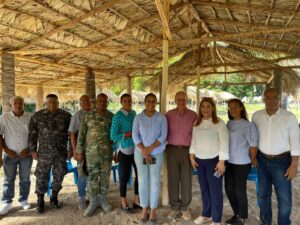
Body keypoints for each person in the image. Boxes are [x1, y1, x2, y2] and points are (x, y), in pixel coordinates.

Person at [252, 88, 300, 225]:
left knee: (284, 199)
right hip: (261, 160)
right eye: (268, 97)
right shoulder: (256, 116)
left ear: (279, 99)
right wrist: (254, 157)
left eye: (274, 97)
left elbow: (295, 142)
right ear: (264, 99)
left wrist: (294, 164)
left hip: (282, 162)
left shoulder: (289, 117)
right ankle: (265, 222)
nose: (271, 100)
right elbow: (253, 139)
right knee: (262, 196)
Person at [28, 94, 71, 213]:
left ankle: (54, 196)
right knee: (41, 177)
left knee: (59, 175)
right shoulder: (38, 116)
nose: (52, 104)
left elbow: (71, 134)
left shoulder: (66, 116)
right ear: (46, 103)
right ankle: (40, 200)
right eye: (49, 102)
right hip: (43, 154)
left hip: (60, 153)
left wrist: (70, 149)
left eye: (54, 102)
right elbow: (32, 134)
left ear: (58, 103)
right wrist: (32, 151)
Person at [190, 97, 229, 225]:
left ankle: (216, 219)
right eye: (203, 106)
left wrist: (222, 161)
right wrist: (191, 156)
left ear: (213, 108)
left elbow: (224, 143)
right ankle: (206, 214)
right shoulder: (197, 123)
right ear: (200, 108)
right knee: (204, 188)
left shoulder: (219, 123)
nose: (205, 109)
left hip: (215, 161)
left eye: (208, 106)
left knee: (215, 190)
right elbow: (194, 141)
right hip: (200, 161)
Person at [76, 93, 114, 217]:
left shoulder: (111, 116)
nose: (102, 103)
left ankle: (103, 200)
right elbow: (81, 135)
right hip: (91, 154)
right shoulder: (88, 116)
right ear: (96, 102)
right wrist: (79, 151)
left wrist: (117, 151)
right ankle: (93, 201)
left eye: (105, 101)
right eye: (100, 101)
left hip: (107, 153)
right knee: (92, 177)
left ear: (107, 102)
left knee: (104, 176)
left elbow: (115, 137)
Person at [132, 93, 167, 225]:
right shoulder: (138, 118)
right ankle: (144, 209)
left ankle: (153, 210)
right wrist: (144, 150)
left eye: (153, 101)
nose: (151, 103)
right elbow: (135, 136)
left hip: (156, 153)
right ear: (145, 102)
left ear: (156, 103)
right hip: (140, 153)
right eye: (148, 101)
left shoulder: (162, 118)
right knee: (142, 181)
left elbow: (163, 136)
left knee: (155, 181)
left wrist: (150, 149)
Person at [225, 99, 258, 225]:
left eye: (235, 107)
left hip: (242, 162)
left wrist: (253, 158)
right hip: (229, 161)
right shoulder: (229, 124)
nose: (233, 109)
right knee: (228, 189)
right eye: (230, 107)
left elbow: (253, 144)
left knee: (239, 190)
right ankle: (236, 214)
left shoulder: (248, 125)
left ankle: (242, 217)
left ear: (241, 108)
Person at [165, 91, 197, 220]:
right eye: (179, 99)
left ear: (187, 100)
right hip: (172, 149)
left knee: (186, 180)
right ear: (175, 100)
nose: (181, 101)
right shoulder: (168, 115)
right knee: (172, 179)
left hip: (187, 151)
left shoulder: (194, 115)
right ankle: (174, 207)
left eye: (183, 99)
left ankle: (185, 208)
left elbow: (197, 134)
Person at [0, 96, 33, 215]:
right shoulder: (4, 117)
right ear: (11, 105)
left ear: (24, 104)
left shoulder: (30, 117)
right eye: (15, 103)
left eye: (20, 103)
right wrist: (6, 150)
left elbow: (35, 135)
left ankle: (23, 200)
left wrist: (29, 149)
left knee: (25, 179)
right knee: (8, 179)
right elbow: (0, 136)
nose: (18, 105)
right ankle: (6, 203)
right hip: (10, 155)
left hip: (26, 154)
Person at [110, 94, 141, 214]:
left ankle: (136, 200)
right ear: (121, 102)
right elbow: (112, 135)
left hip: (136, 150)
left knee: (139, 175)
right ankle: (123, 201)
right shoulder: (117, 116)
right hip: (123, 151)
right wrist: (126, 134)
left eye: (129, 101)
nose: (128, 102)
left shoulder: (134, 114)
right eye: (125, 101)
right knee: (124, 177)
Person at [68, 95, 91, 209]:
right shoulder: (77, 116)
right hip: (82, 150)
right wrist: (75, 151)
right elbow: (72, 133)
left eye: (88, 101)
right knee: (82, 173)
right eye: (84, 101)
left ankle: (91, 195)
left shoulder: (94, 113)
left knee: (93, 173)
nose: (87, 103)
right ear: (80, 104)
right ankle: (81, 197)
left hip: (94, 150)